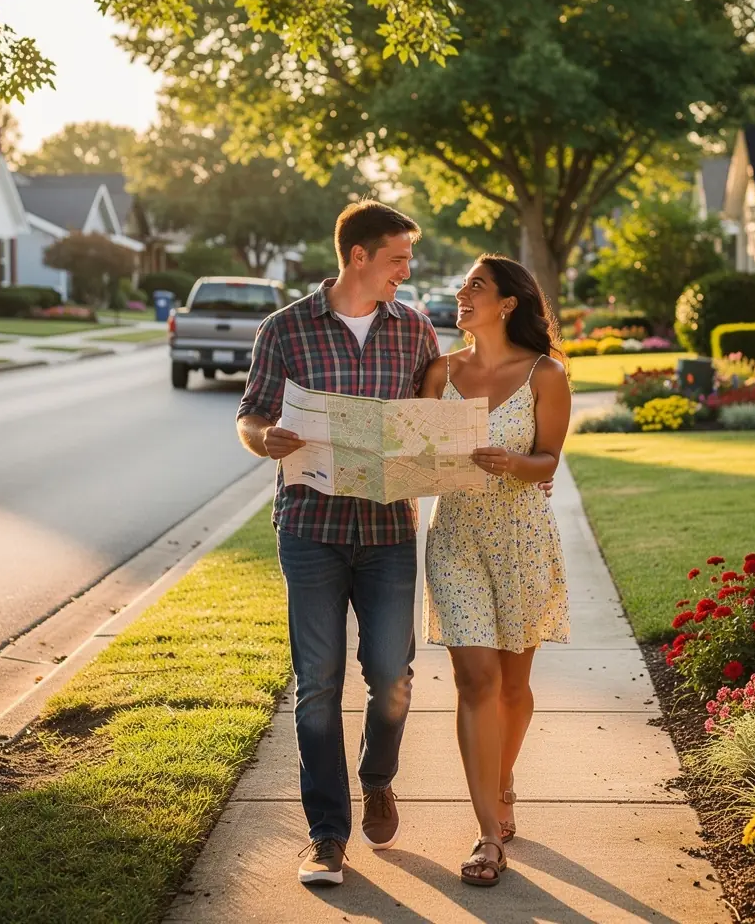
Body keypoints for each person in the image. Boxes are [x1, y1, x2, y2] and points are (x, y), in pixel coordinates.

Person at [236, 200, 439, 886]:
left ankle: (378, 778)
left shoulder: (413, 330)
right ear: (358, 256)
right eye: (397, 260)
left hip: (388, 533)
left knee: (391, 675)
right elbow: (251, 415)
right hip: (310, 530)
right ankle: (326, 835)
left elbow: (431, 418)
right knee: (317, 686)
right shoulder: (286, 329)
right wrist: (266, 440)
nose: (405, 274)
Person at [419, 254, 572, 887]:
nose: (462, 293)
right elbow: (418, 458)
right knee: (474, 678)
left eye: (475, 285)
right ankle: (487, 832)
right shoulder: (440, 372)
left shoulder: (546, 374)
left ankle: (503, 778)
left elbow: (549, 463)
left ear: (507, 303)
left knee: (512, 686)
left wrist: (512, 462)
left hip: (522, 541)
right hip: (455, 539)